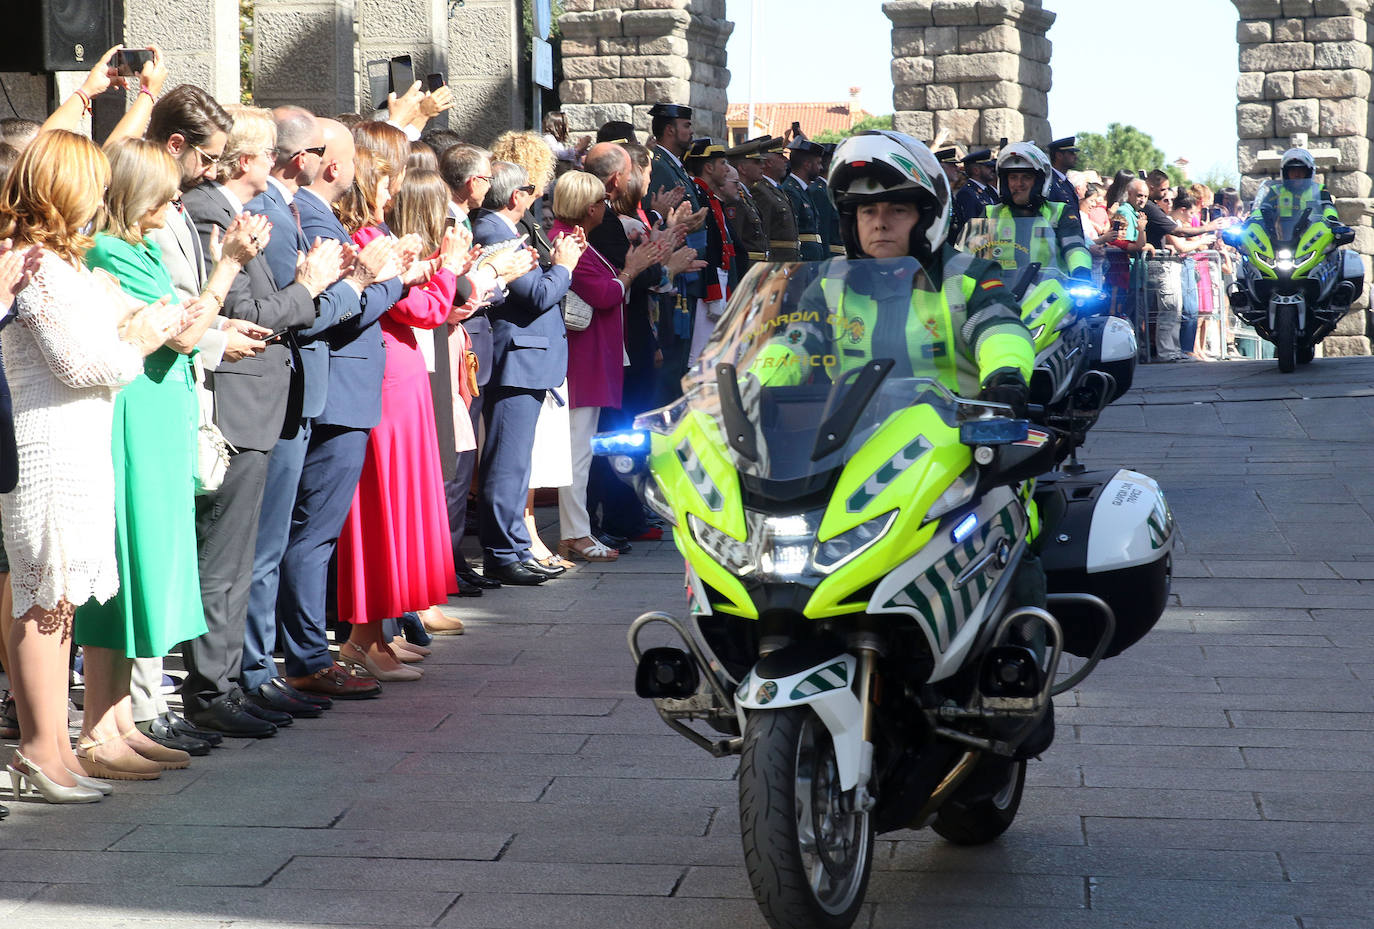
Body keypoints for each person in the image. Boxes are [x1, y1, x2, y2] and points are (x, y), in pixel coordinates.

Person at [1, 130, 190, 803]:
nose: (100, 197)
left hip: (81, 439)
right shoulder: (34, 265)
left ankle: (54, 749)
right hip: (46, 440)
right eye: (90, 183)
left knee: (63, 601)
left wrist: (132, 328)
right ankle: (37, 748)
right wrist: (136, 343)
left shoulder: (68, 263)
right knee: (40, 595)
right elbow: (81, 364)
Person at [72, 139, 263, 779]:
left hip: (162, 413)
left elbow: (182, 326)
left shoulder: (143, 247)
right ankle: (99, 731)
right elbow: (183, 331)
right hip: (133, 418)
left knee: (148, 567)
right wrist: (226, 269)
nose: (178, 200)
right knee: (126, 568)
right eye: (165, 190)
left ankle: (121, 718)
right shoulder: (106, 251)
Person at [180, 105, 350, 737]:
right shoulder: (209, 212)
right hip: (236, 401)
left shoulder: (229, 211)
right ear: (248, 160)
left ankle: (232, 680)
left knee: (242, 554)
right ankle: (214, 686)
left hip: (259, 398)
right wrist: (312, 287)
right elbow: (251, 310)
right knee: (224, 559)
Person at [239, 105, 385, 715]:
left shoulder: (288, 208)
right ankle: (258, 668)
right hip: (278, 389)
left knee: (273, 542)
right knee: (266, 546)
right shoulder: (269, 212)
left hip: (301, 389)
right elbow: (295, 313)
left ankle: (267, 666)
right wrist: (360, 285)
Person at [755, 130, 1034, 408]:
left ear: (927, 216)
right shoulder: (831, 282)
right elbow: (796, 343)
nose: (880, 223)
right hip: (848, 434)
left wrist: (1005, 376)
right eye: (867, 211)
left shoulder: (966, 275)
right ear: (851, 222)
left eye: (897, 210)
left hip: (955, 432)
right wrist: (753, 386)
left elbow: (999, 329)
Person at [276, 119, 406, 702]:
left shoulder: (312, 213)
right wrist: (394, 280)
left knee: (307, 531)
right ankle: (304, 654)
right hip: (335, 389)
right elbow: (333, 311)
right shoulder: (314, 216)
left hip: (335, 387)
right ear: (333, 166)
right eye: (351, 159)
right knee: (313, 533)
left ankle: (302, 650)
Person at [335, 164, 465, 679]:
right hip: (387, 382)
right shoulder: (369, 237)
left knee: (399, 507)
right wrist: (448, 268)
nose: (392, 189)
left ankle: (374, 634)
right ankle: (364, 638)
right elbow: (425, 309)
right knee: (383, 508)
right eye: (386, 178)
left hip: (400, 380)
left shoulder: (377, 234)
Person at [471, 161, 585, 586]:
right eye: (532, 188)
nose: (537, 195)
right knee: (507, 462)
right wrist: (565, 265)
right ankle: (502, 551)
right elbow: (537, 293)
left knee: (517, 464)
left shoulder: (505, 230)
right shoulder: (494, 231)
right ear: (516, 195)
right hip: (516, 361)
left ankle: (515, 546)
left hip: (528, 359)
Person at [549, 170, 664, 563]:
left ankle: (578, 532)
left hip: (591, 356)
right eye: (600, 202)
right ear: (591, 208)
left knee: (581, 450)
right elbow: (603, 292)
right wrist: (629, 273)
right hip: (583, 361)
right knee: (577, 453)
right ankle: (576, 534)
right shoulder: (568, 240)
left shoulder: (575, 238)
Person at [979, 142, 1092, 280]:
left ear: (1039, 181)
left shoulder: (1059, 212)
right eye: (1013, 177)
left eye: (1026, 177)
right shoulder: (990, 214)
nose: (1019, 184)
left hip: (1049, 296)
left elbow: (1074, 247)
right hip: (1000, 295)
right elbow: (970, 255)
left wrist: (1081, 272)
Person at [684, 139, 738, 361]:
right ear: (708, 167)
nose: (727, 169)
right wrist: (712, 287)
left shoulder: (710, 196)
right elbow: (704, 246)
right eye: (722, 163)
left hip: (719, 277)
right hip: (706, 280)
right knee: (702, 355)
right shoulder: (699, 193)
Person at [723, 137, 770, 276]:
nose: (762, 165)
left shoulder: (746, 196)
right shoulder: (735, 199)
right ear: (742, 168)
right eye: (757, 162)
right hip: (747, 271)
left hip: (757, 270)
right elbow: (736, 241)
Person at [783, 138, 826, 261]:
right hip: (803, 258)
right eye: (818, 163)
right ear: (807, 165)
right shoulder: (790, 190)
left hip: (812, 257)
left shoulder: (804, 190)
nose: (821, 167)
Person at [950, 148, 998, 244]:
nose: (992, 169)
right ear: (976, 170)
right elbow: (970, 225)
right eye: (987, 167)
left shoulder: (989, 190)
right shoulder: (967, 193)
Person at [1046, 136, 1082, 224]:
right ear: (1059, 155)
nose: (1075, 157)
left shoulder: (1066, 183)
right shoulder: (1049, 181)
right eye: (1071, 153)